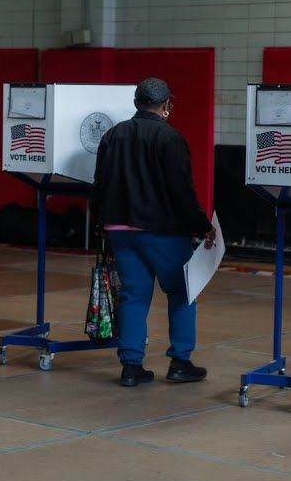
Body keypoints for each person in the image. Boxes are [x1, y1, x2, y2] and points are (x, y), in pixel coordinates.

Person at [90, 77, 217, 387]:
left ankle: (131, 367)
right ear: (166, 104)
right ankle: (180, 362)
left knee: (133, 296)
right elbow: (181, 191)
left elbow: (99, 185)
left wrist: (100, 224)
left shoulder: (112, 135)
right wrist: (203, 225)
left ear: (136, 103)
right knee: (182, 293)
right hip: (163, 231)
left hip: (120, 229)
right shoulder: (170, 138)